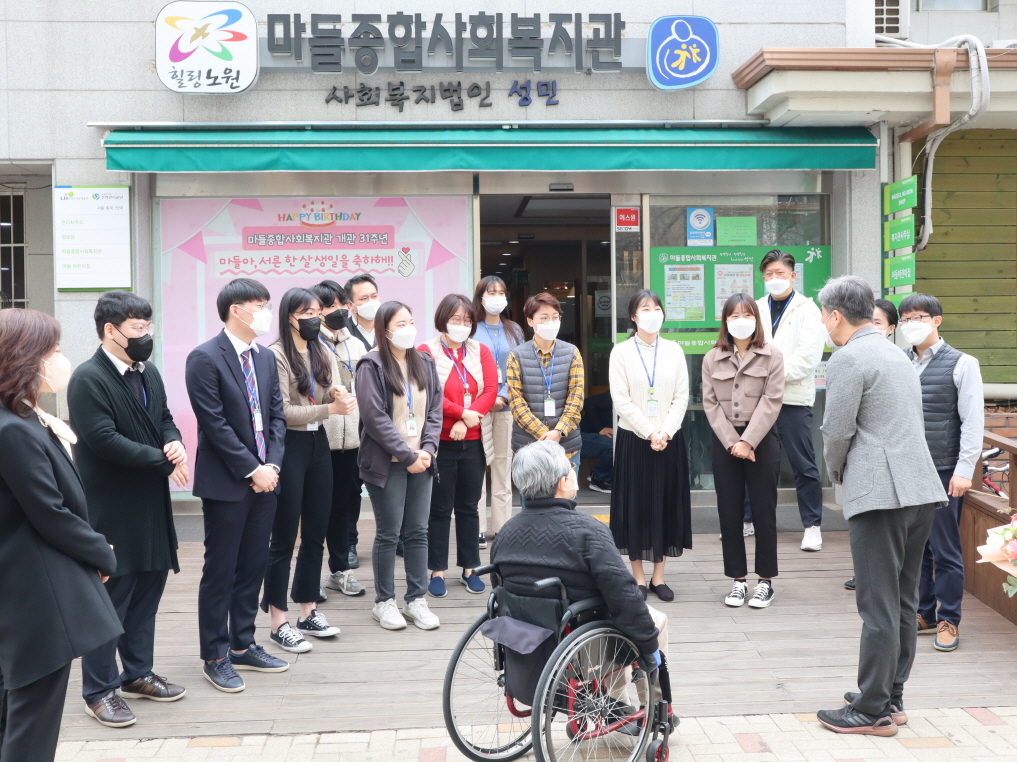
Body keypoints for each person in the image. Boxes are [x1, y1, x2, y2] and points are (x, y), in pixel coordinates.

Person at [815, 275, 947, 736]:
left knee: (877, 604)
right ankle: (891, 696)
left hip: (879, 494)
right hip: (919, 488)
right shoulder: (896, 353)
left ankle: (871, 709)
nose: (824, 323)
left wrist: (837, 474)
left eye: (823, 315)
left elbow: (836, 431)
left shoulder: (848, 358)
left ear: (835, 315)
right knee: (904, 600)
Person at [0, 308, 121, 762]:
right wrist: (101, 553)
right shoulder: (13, 429)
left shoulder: (21, 418)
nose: (59, 359)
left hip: (23, 592)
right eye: (52, 351)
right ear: (23, 357)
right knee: (32, 723)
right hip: (36, 595)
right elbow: (50, 512)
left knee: (16, 712)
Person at [69, 292, 187, 728]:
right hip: (112, 505)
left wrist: (173, 442)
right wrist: (163, 460)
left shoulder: (147, 371)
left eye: (148, 326)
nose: (146, 335)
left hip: (150, 502)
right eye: (138, 327)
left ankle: (137, 673)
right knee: (111, 600)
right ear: (110, 331)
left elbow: (165, 417)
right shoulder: (88, 378)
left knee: (146, 593)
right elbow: (103, 440)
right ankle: (98, 690)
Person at [491, 440, 668, 711]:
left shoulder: (506, 532)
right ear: (563, 483)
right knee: (653, 621)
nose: (574, 473)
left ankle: (616, 702)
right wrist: (648, 643)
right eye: (571, 469)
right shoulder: (587, 530)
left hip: (526, 639)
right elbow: (623, 592)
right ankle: (652, 707)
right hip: (579, 640)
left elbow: (500, 588)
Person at [185, 278, 289, 693]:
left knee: (253, 565)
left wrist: (272, 465)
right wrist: (252, 469)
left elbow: (276, 416)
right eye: (259, 305)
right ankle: (215, 654)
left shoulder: (264, 358)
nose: (266, 312)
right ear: (236, 310)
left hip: (267, 480)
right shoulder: (205, 357)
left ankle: (243, 643)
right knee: (221, 570)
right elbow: (214, 424)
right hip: (228, 482)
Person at [261, 288, 354, 653]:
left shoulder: (320, 349)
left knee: (316, 532)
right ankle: (277, 621)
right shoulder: (275, 355)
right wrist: (330, 409)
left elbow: (328, 390)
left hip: (319, 443)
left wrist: (337, 396)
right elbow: (283, 412)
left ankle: (308, 611)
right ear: (289, 317)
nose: (315, 318)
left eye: (318, 311)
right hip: (289, 447)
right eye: (307, 313)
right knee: (284, 537)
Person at [899, 293, 983, 653]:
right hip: (907, 469)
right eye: (905, 319)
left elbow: (972, 421)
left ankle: (949, 619)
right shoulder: (899, 361)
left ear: (936, 320)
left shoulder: (963, 363)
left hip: (944, 469)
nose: (910, 324)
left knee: (945, 549)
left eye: (917, 317)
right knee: (915, 548)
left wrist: (964, 469)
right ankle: (924, 613)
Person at [356, 301, 443, 631]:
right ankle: (384, 601)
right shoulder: (371, 365)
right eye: (400, 324)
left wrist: (428, 450)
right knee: (389, 532)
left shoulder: (424, 362)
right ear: (385, 330)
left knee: (418, 531)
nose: (408, 329)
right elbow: (374, 417)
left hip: (422, 459)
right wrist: (408, 456)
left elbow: (434, 410)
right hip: (388, 463)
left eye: (410, 321)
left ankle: (416, 599)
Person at [702, 293, 785, 610]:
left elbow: (772, 401)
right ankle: (738, 581)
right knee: (729, 512)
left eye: (747, 315)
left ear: (756, 319)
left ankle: (765, 581)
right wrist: (733, 442)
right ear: (725, 321)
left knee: (764, 513)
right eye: (734, 315)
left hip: (761, 439)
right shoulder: (712, 358)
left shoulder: (772, 355)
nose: (741, 321)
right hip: (725, 440)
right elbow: (710, 404)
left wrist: (748, 441)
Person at [609, 289, 692, 603]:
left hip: (669, 440)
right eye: (645, 309)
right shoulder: (621, 352)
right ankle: (638, 577)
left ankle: (659, 576)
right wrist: (650, 432)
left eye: (657, 308)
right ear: (634, 316)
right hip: (634, 440)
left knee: (665, 505)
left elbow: (681, 396)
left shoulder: (674, 350)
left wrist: (665, 432)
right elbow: (621, 400)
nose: (653, 313)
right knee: (636, 506)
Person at [420, 294, 498, 597]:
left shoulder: (481, 351)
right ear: (443, 320)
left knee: (469, 507)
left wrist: (467, 420)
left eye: (467, 320)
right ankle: (437, 571)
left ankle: (469, 568)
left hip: (474, 441)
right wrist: (460, 414)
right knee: (439, 508)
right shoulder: (426, 351)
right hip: (440, 442)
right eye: (456, 319)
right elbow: (430, 394)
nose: (462, 325)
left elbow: (490, 391)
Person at [755, 250, 826, 552]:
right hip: (758, 400)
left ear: (793, 276)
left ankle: (812, 526)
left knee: (803, 464)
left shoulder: (808, 310)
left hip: (793, 399)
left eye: (780, 273)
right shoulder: (756, 307)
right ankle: (749, 519)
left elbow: (808, 358)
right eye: (769, 274)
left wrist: (770, 376)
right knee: (754, 461)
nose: (774, 278)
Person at [310, 280, 368, 595]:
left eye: (341, 304)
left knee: (344, 506)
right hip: (320, 438)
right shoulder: (309, 344)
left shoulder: (356, 345)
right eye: (329, 306)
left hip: (352, 441)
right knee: (316, 509)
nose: (338, 311)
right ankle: (309, 577)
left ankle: (340, 571)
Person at [844, 298, 900, 592]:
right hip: (889, 471)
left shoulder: (849, 358)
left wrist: (837, 468)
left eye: (878, 323)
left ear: (891, 328)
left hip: (892, 471)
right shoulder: (901, 358)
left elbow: (837, 428)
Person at [506, 293, 585, 475]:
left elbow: (576, 398)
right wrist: (545, 435)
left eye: (555, 317)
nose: (551, 322)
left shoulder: (572, 352)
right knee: (533, 493)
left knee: (566, 493)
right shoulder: (516, 355)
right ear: (530, 321)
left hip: (567, 447)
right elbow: (516, 403)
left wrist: (559, 431)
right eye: (544, 318)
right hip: (529, 448)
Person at [472, 276, 524, 547]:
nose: (497, 297)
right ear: (481, 297)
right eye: (491, 292)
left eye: (501, 292)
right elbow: (467, 369)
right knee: (477, 466)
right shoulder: (471, 328)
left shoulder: (514, 329)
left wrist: (502, 395)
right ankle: (477, 527)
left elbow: (518, 368)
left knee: (503, 465)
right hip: (477, 407)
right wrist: (486, 398)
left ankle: (502, 527)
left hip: (506, 406)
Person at [579, 390, 614, 493]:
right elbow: (588, 403)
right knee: (614, 444)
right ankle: (600, 479)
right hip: (581, 437)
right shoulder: (616, 395)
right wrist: (600, 428)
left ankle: (597, 474)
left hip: (596, 438)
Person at [345, 273, 381, 350]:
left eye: (374, 296)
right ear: (350, 305)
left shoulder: (389, 328)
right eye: (364, 298)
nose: (371, 302)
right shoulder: (343, 331)